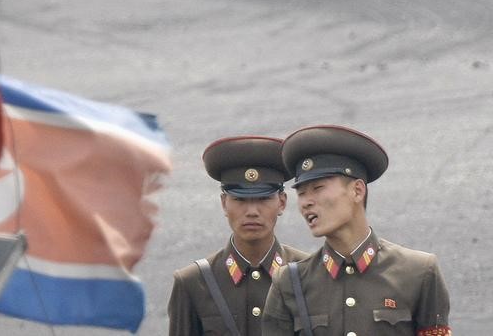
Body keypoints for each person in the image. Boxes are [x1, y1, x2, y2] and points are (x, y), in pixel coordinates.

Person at [262, 125, 451, 336]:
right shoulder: (289, 282)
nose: (306, 202)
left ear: (357, 190)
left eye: (317, 188)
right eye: (302, 193)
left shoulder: (419, 272)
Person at [168, 136, 308, 336]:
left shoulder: (308, 276)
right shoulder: (193, 283)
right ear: (224, 203)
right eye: (240, 199)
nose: (252, 211)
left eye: (263, 198)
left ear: (282, 202)